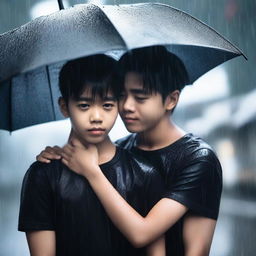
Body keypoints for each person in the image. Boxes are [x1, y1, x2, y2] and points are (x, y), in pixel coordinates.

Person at [37, 46, 223, 256]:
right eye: (121, 95)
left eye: (140, 97)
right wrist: (59, 155)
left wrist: (92, 172)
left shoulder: (197, 158)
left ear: (171, 100)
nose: (126, 106)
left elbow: (148, 235)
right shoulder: (121, 149)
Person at [18, 54, 166, 256]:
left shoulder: (145, 173)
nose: (96, 117)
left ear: (118, 105)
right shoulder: (43, 175)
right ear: (64, 107)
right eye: (84, 105)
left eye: (107, 105)